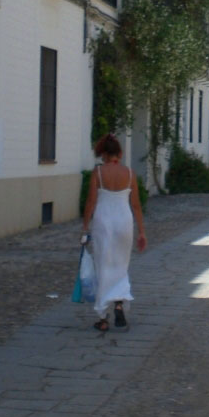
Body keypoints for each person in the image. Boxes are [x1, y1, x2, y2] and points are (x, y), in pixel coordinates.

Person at [81, 133, 147, 332]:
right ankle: (119, 303)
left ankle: (103, 317)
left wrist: (84, 227)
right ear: (119, 152)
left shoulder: (98, 173)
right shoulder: (129, 174)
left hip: (103, 222)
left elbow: (91, 202)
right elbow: (136, 205)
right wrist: (142, 232)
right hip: (124, 222)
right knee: (121, 264)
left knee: (103, 265)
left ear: (102, 154)